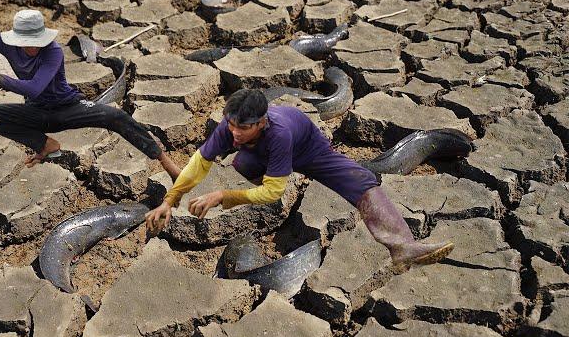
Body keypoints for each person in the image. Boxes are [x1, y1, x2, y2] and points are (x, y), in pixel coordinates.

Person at [145, 88, 455, 269]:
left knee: (360, 180)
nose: (235, 132)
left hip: (309, 150)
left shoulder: (278, 134)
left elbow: (272, 192)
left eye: (244, 127)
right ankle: (252, 169)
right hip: (263, 156)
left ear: (262, 123)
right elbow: (198, 164)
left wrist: (222, 196)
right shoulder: (232, 130)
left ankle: (403, 246)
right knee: (243, 160)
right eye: (232, 125)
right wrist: (169, 201)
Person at [0, 5, 181, 178]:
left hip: (68, 109)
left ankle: (163, 159)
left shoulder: (53, 51)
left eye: (36, 41)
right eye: (26, 42)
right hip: (37, 113)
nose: (32, 47)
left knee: (116, 116)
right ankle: (45, 145)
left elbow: (33, 88)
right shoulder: (5, 44)